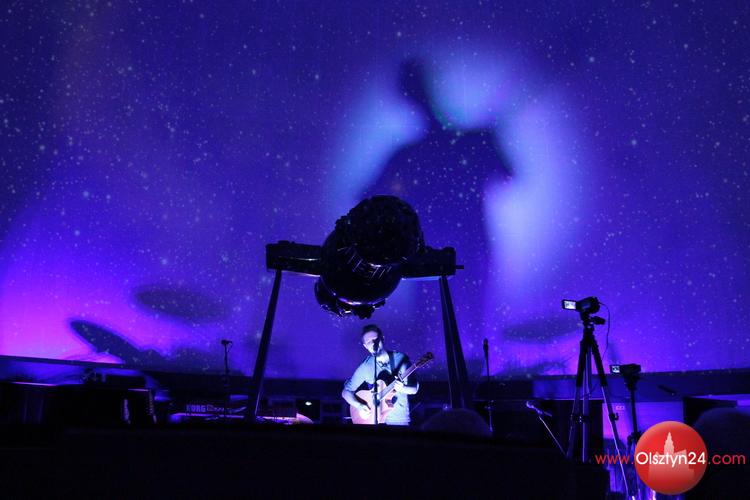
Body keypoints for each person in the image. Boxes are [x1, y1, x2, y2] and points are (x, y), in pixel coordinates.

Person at [341, 324, 419, 425]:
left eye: (375, 339)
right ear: (365, 346)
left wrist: (402, 388)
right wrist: (359, 406)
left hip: (398, 420)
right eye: (369, 342)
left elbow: (414, 389)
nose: (373, 343)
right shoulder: (366, 366)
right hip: (374, 421)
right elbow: (346, 392)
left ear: (382, 338)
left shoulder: (401, 359)